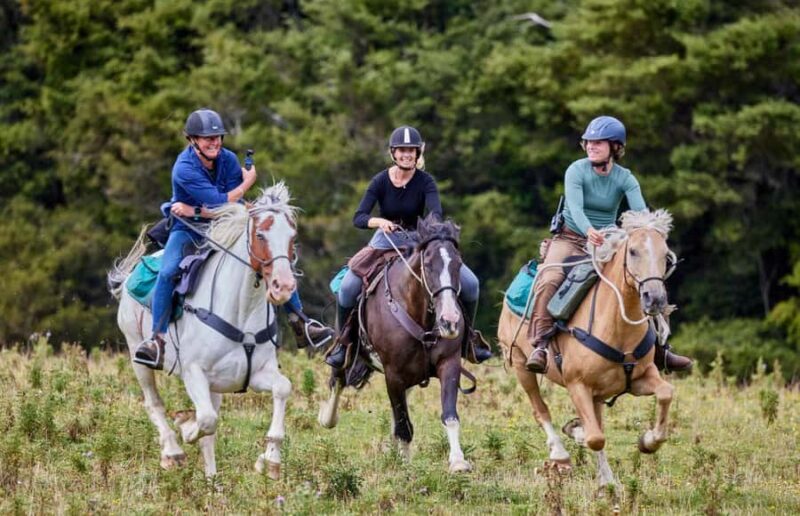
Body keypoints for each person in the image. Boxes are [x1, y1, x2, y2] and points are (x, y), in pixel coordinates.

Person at [133, 108, 333, 369]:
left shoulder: (226, 159)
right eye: (208, 138)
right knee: (169, 271)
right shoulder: (183, 168)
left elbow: (229, 204)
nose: (214, 142)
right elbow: (219, 201)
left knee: (272, 258)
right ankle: (156, 340)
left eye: (217, 138)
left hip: (228, 223)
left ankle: (300, 322)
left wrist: (201, 208)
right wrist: (247, 183)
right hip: (188, 229)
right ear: (192, 140)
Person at [525, 115, 692, 374]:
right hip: (570, 238)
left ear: (615, 147)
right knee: (549, 277)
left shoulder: (625, 178)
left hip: (609, 241)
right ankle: (540, 344)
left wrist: (648, 232)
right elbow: (576, 208)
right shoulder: (575, 170)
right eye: (588, 141)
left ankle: (661, 348)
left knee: (649, 277)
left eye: (598, 143)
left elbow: (640, 214)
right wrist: (589, 230)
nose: (591, 146)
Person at [324, 125, 492, 369]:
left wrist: (429, 229)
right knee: (348, 287)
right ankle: (343, 343)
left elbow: (435, 212)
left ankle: (468, 340)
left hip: (418, 241)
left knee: (471, 284)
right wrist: (378, 221)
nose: (407, 155)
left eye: (411, 151)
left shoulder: (426, 182)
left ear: (418, 152)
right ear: (393, 153)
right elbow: (359, 216)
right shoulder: (380, 181)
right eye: (402, 151)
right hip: (385, 242)